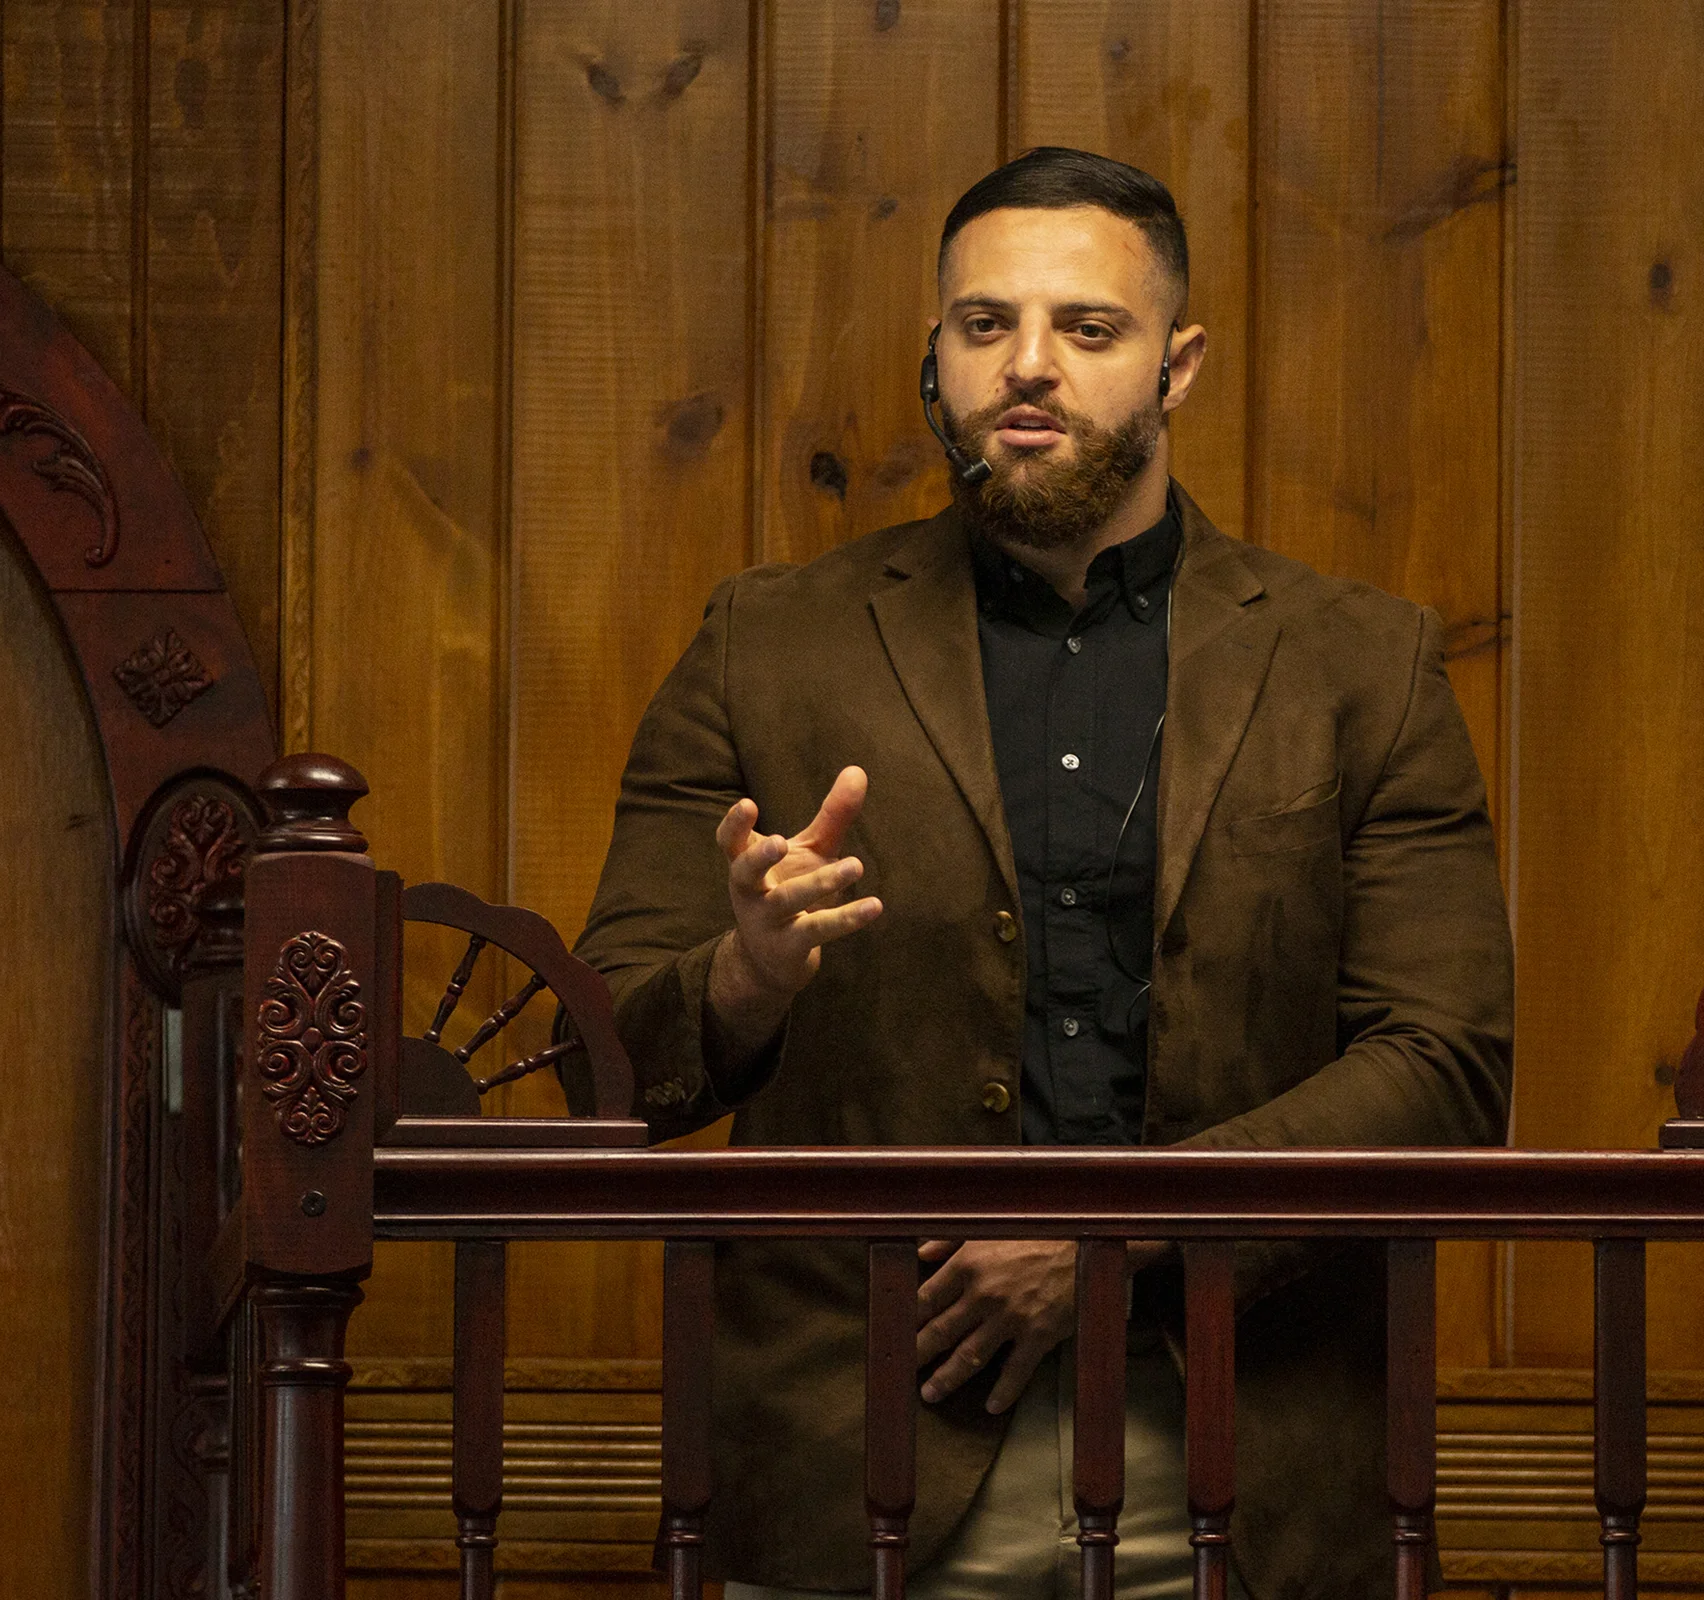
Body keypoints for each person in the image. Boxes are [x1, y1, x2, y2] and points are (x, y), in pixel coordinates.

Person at [574, 147, 1512, 1600]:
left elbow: (1447, 1068)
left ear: (1176, 364)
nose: (1030, 367)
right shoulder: (766, 642)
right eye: (984, 325)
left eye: (1089, 328)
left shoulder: (1359, 663)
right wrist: (742, 982)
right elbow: (612, 1068)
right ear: (933, 359)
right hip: (847, 1473)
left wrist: (1110, 1232)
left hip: (1254, 1480)